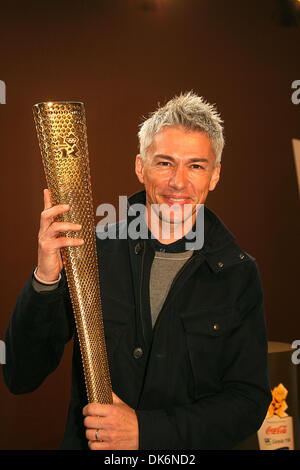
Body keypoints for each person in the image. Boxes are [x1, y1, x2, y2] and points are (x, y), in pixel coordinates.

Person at [3, 91, 271, 450]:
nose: (178, 182)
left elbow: (248, 403)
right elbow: (21, 375)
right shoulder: (89, 252)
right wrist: (45, 278)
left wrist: (145, 431)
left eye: (195, 165)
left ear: (215, 175)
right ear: (139, 167)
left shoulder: (237, 274)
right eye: (164, 163)